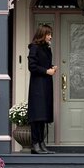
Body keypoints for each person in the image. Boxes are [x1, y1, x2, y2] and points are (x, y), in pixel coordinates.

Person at [27, 24, 57, 154]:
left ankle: (41, 143)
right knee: (37, 114)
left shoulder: (47, 48)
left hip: (46, 84)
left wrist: (51, 68)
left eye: (50, 34)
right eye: (48, 34)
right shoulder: (34, 47)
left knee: (43, 114)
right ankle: (35, 144)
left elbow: (44, 64)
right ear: (42, 35)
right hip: (37, 85)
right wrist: (46, 71)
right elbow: (32, 66)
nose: (50, 36)